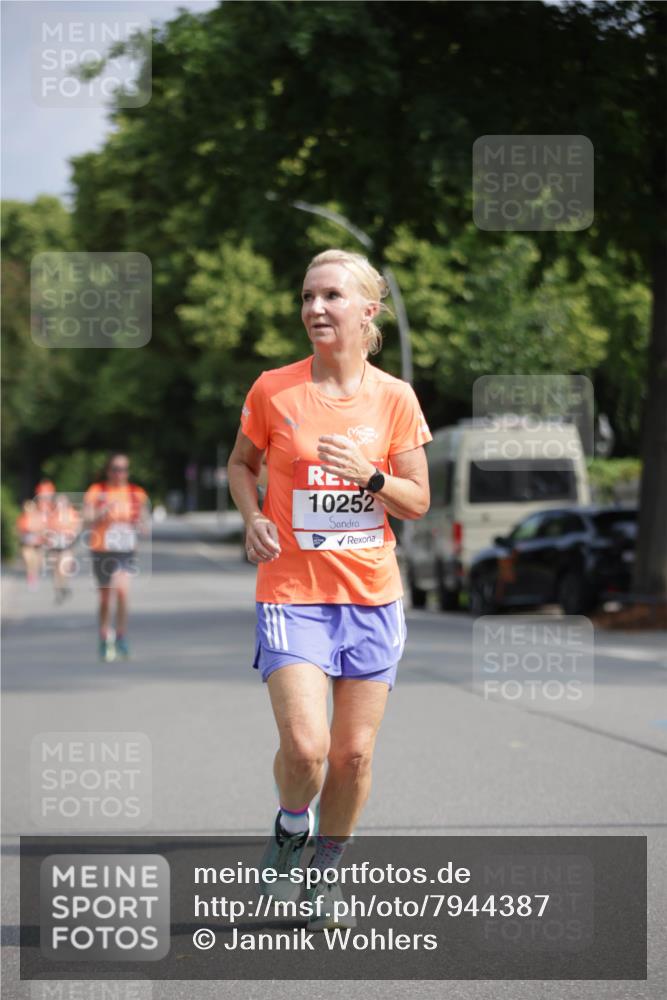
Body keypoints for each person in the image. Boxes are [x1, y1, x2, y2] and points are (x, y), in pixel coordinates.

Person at [227, 249, 432, 930]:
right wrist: (253, 515)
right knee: (308, 747)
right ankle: (291, 826)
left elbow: (417, 501)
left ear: (368, 310)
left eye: (331, 297)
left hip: (370, 595)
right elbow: (240, 462)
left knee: (352, 754)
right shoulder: (273, 390)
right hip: (290, 592)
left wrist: (369, 477)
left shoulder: (394, 398)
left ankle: (328, 866)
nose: (315, 308)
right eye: (308, 296)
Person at [83, 454, 150, 662]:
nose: (119, 473)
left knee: (121, 591)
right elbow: (86, 519)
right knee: (105, 597)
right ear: (108, 470)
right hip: (102, 549)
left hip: (125, 550)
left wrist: (141, 525)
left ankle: (121, 636)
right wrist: (100, 514)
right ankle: (104, 635)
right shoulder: (97, 491)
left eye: (123, 469)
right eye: (115, 468)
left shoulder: (136, 493)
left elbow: (145, 522)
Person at [44, 494, 82, 604]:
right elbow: (45, 528)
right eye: (58, 503)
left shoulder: (72, 513)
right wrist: (49, 537)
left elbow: (77, 526)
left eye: (63, 502)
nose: (60, 505)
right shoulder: (51, 514)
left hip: (67, 544)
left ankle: (64, 585)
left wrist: (72, 534)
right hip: (54, 545)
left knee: (64, 567)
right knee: (55, 569)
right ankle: (58, 591)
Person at [16, 500, 43, 589]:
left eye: (31, 508)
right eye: (27, 508)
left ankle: (34, 576)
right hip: (26, 544)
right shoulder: (22, 518)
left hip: (37, 544)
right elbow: (19, 531)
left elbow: (42, 530)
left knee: (36, 562)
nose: (29, 510)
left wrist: (37, 532)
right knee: (28, 560)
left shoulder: (38, 518)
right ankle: (30, 577)